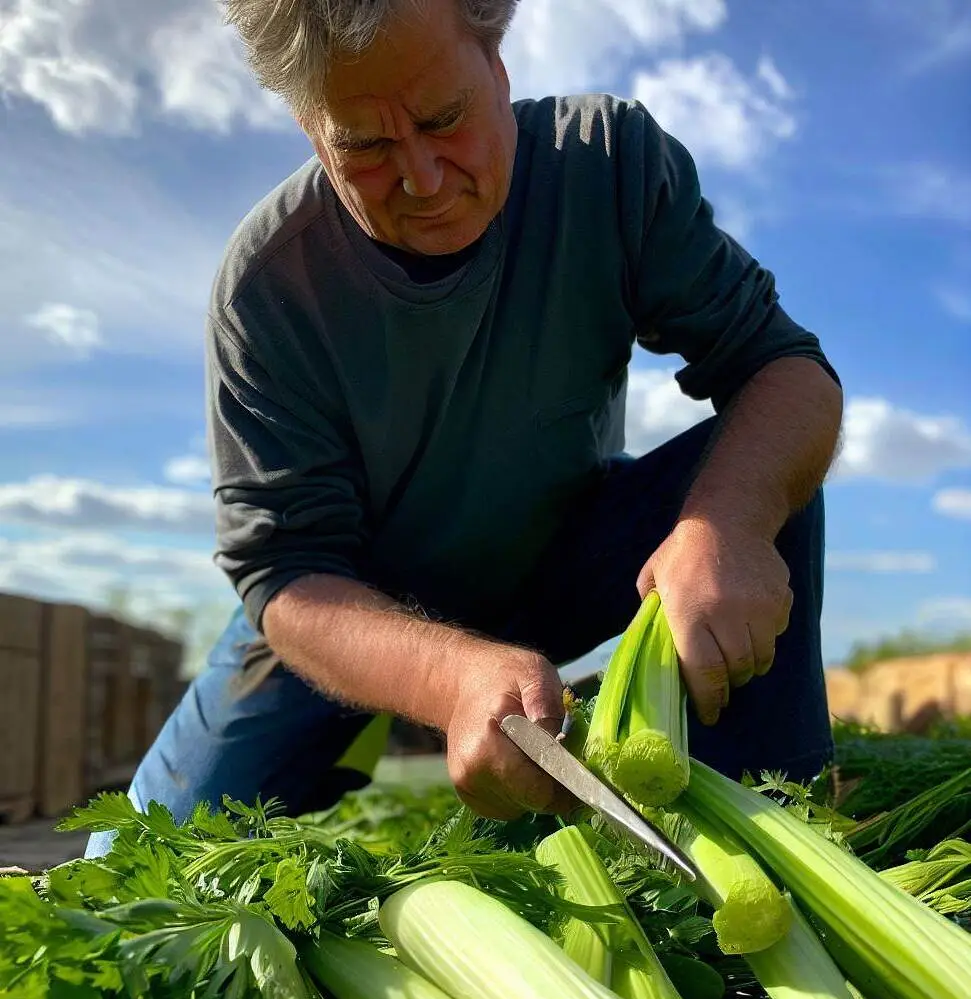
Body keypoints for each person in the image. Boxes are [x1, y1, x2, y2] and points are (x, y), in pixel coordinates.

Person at [85, 0, 843, 856]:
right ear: (307, 127)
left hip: (561, 551)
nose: (423, 178)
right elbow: (285, 574)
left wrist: (729, 525)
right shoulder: (267, 289)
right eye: (364, 146)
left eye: (445, 119)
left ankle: (762, 830)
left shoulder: (607, 164)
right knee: (136, 856)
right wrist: (449, 679)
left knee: (753, 485)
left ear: (498, 66)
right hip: (355, 604)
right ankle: (385, 730)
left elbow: (783, 370)